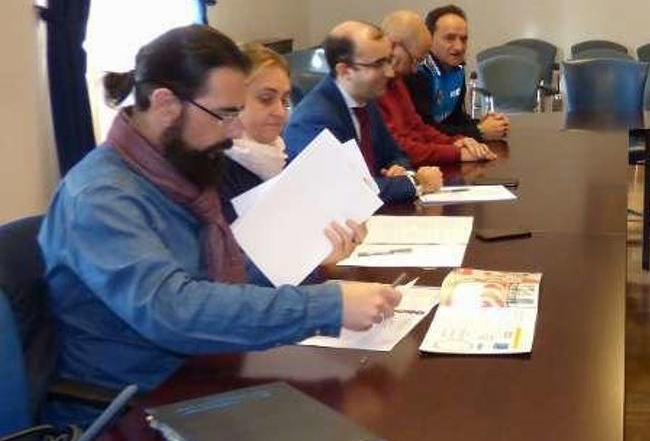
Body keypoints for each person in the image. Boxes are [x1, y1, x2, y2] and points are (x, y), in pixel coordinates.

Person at [39, 25, 403, 425]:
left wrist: (307, 255)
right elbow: (176, 310)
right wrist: (327, 304)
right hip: (130, 405)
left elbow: (216, 279)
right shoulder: (100, 197)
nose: (234, 130)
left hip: (197, 373)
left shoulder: (176, 169)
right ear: (165, 104)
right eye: (225, 114)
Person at [219, 43, 365, 268]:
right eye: (266, 99)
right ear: (232, 100)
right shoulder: (217, 171)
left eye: (284, 100)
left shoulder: (276, 157)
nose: (280, 112)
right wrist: (306, 260)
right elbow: (232, 271)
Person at [284, 21, 443, 202]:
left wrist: (399, 170)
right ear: (345, 71)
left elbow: (396, 153)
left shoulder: (366, 101)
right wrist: (415, 182)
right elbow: (346, 191)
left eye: (389, 60)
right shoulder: (314, 120)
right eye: (379, 64)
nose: (390, 72)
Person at [377, 10, 495, 166]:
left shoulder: (396, 80)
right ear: (393, 46)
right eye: (414, 60)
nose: (413, 69)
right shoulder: (376, 86)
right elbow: (397, 147)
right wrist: (457, 152)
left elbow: (417, 127)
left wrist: (457, 142)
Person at [403, 4, 509, 141]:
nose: (459, 47)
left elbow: (454, 120)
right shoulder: (418, 73)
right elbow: (424, 130)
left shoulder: (457, 69)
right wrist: (479, 131)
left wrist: (484, 124)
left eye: (464, 39)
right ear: (429, 38)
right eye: (450, 38)